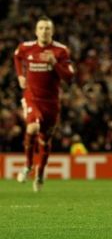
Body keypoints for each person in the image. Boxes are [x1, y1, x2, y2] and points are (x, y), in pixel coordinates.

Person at [14, 16, 75, 192]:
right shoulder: (26, 47)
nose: (44, 31)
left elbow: (69, 77)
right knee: (32, 128)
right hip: (32, 97)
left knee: (45, 139)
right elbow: (17, 57)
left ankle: (40, 173)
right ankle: (27, 165)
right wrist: (20, 75)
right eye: (41, 28)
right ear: (36, 31)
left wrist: (55, 64)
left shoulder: (61, 51)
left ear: (52, 31)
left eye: (47, 28)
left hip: (51, 102)